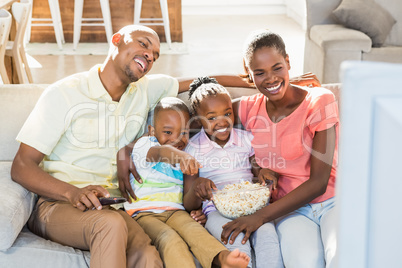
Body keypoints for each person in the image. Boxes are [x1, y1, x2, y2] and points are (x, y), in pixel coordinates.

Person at [10, 24, 185, 268]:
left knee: (147, 256)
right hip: (58, 205)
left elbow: (197, 85)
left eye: (155, 55)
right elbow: (21, 166)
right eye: (143, 44)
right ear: (116, 40)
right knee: (109, 224)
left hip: (114, 207)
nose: (149, 55)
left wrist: (253, 80)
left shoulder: (144, 90)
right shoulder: (64, 93)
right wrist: (73, 192)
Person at [218, 30, 339, 268]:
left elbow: (319, 182)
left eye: (277, 68)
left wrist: (259, 217)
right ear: (249, 75)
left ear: (288, 62)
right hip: (291, 212)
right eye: (259, 73)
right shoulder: (247, 109)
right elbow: (203, 100)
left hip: (333, 202)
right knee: (303, 264)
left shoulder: (319, 100)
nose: (271, 79)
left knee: (342, 258)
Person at [124, 96, 250, 268]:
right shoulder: (145, 144)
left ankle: (222, 259)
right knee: (170, 240)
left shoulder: (189, 152)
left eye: (183, 133)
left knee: (195, 232)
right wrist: (181, 156)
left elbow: (188, 199)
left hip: (176, 211)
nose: (177, 139)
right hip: (143, 213)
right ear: (152, 131)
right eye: (168, 132)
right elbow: (161, 153)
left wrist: (198, 190)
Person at [182, 77, 283, 268]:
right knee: (234, 242)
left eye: (227, 113)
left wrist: (264, 173)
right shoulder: (193, 149)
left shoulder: (246, 140)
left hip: (252, 205)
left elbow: (257, 169)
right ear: (197, 118)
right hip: (216, 211)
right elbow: (188, 204)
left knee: (268, 236)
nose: (222, 122)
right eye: (211, 118)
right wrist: (197, 187)